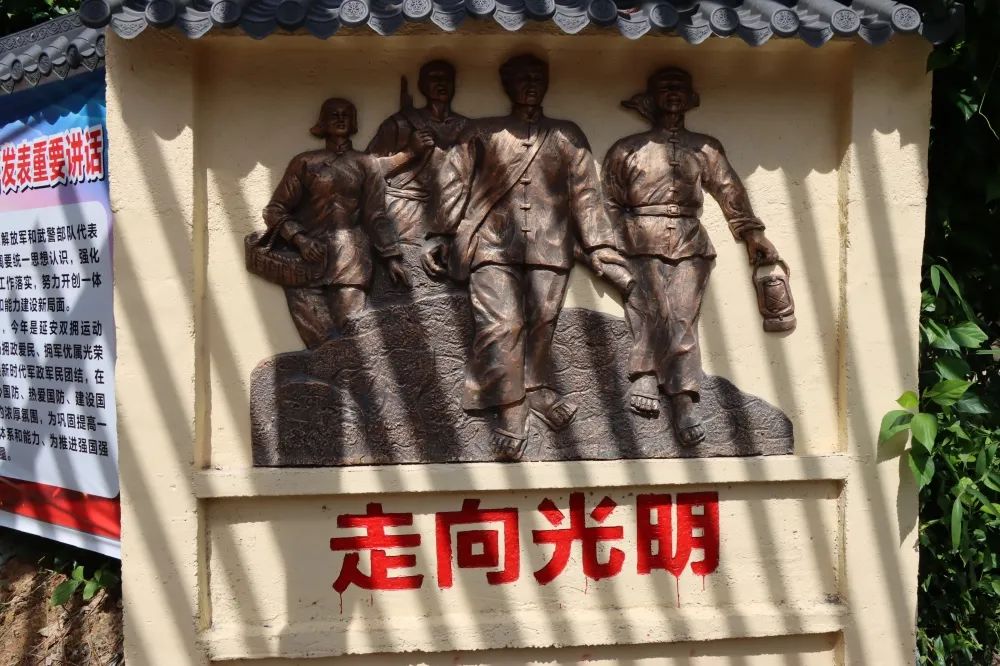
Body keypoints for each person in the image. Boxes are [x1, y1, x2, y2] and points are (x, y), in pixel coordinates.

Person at [423, 54, 629, 461]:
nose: (531, 84)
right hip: (492, 244)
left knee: (542, 324)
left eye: (538, 77)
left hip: (550, 246)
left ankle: (535, 387)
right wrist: (438, 233)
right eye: (522, 78)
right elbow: (453, 181)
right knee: (503, 325)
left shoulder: (567, 135)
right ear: (507, 84)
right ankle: (511, 409)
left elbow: (585, 195)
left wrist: (600, 248)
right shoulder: (482, 132)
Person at [602, 67, 781, 446]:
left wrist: (753, 234)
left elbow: (729, 190)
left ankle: (684, 399)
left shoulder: (705, 148)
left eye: (680, 88)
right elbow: (609, 202)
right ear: (651, 98)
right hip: (639, 240)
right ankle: (644, 376)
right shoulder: (627, 149)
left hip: (689, 240)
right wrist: (616, 242)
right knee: (649, 309)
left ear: (690, 98)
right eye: (665, 88)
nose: (673, 94)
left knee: (683, 316)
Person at [263, 97, 410, 349]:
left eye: (346, 115)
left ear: (353, 123)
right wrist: (300, 239)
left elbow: (375, 215)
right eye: (334, 114)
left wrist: (392, 256)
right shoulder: (304, 162)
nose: (340, 119)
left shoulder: (366, 164)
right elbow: (274, 210)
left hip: (350, 260)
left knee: (353, 340)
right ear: (323, 122)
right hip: (306, 263)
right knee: (319, 344)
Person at [366, 60, 470, 245]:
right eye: (434, 78)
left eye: (447, 79)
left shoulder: (466, 128)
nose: (441, 83)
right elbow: (366, 172)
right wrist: (409, 153)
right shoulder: (399, 124)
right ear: (422, 85)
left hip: (452, 214)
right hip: (405, 215)